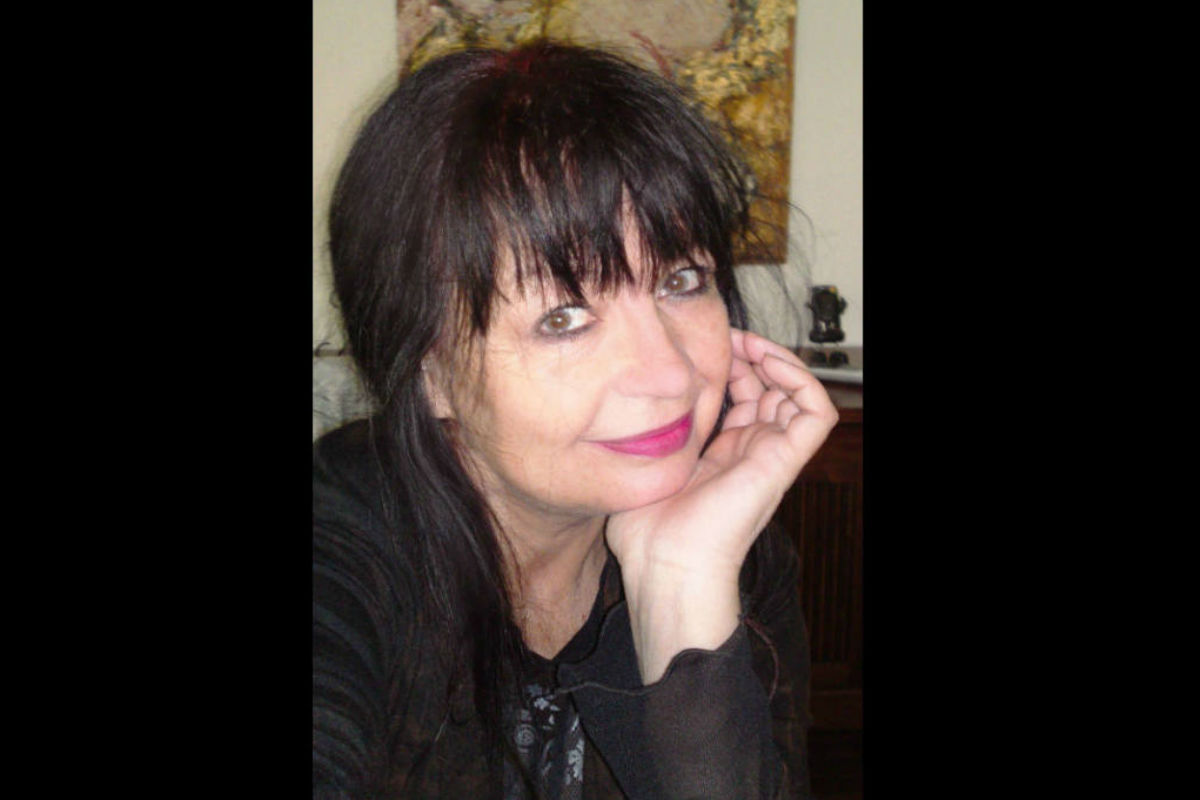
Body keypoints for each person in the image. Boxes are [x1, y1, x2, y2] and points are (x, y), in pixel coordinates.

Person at [313, 41, 838, 800]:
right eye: (563, 318)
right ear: (430, 374)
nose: (670, 374)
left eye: (681, 280)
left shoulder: (734, 549)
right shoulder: (343, 555)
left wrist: (682, 586)